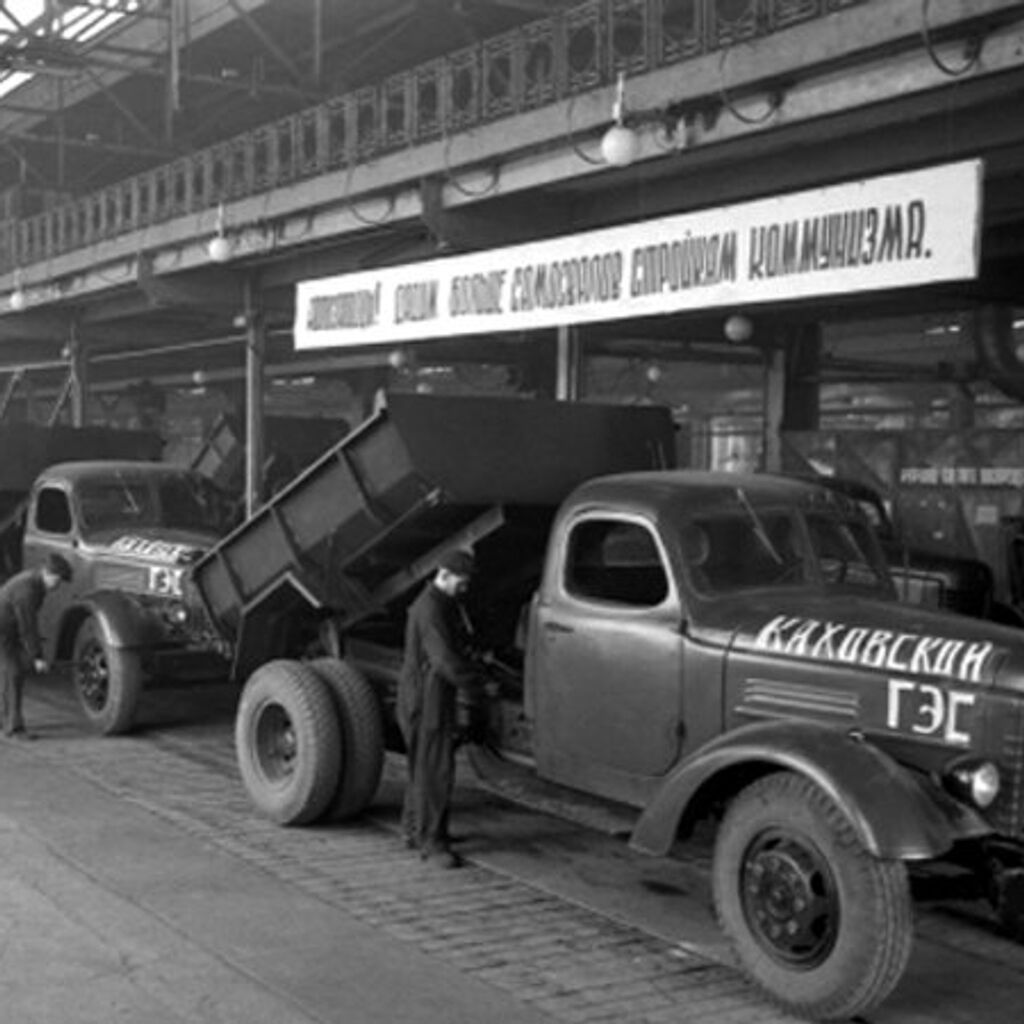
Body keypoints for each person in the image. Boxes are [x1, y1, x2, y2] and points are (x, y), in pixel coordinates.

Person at [396, 548, 482, 869]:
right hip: (427, 700)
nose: (465, 588)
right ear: (443, 575)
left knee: (422, 765)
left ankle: (413, 828)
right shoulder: (431, 609)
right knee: (435, 769)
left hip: (422, 695)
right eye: (461, 582)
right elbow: (445, 660)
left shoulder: (438, 604)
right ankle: (433, 842)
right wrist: (476, 684)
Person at [0, 553, 73, 739]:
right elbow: (27, 626)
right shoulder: (28, 590)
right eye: (57, 580)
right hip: (3, 632)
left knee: (11, 672)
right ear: (47, 573)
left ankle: (6, 718)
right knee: (14, 673)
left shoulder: (35, 582)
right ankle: (13, 729)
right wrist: (37, 657)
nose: (58, 585)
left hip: (8, 630)